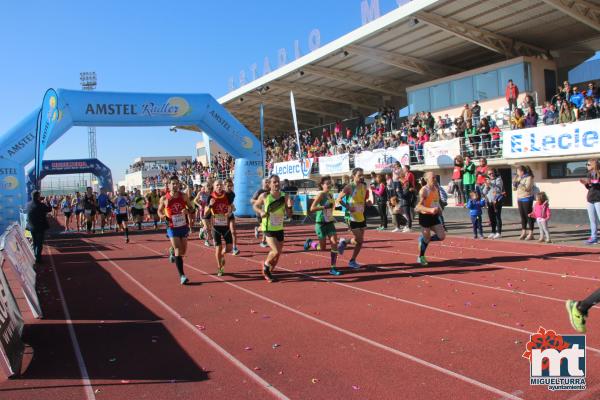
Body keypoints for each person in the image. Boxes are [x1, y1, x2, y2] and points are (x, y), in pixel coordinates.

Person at [253, 175, 293, 283]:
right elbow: (255, 206)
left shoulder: (285, 196)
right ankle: (265, 267)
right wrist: (261, 212)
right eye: (274, 182)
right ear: (269, 184)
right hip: (268, 228)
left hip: (279, 228)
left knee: (278, 255)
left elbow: (290, 215)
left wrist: (289, 206)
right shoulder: (265, 196)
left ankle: (269, 271)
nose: (276, 184)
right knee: (275, 251)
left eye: (278, 182)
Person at [303, 176, 342, 276]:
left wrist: (337, 208)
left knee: (334, 244)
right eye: (327, 183)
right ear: (322, 185)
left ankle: (333, 268)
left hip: (329, 223)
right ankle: (310, 242)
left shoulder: (330, 195)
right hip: (320, 223)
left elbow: (330, 208)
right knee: (322, 248)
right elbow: (312, 208)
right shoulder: (321, 194)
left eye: (330, 183)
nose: (329, 185)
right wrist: (324, 207)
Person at [158, 175, 192, 285]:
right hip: (172, 226)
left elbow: (191, 208)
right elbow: (159, 211)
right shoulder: (164, 198)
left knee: (183, 251)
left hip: (183, 225)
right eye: (173, 184)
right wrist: (162, 216)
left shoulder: (183, 196)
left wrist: (187, 211)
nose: (175, 185)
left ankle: (171, 251)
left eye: (177, 183)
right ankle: (182, 275)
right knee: (178, 249)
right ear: (168, 185)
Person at [336, 168, 371, 269]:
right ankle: (345, 244)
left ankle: (352, 259)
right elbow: (338, 199)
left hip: (362, 215)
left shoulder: (364, 186)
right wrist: (348, 207)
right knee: (359, 239)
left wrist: (367, 203)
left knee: (359, 241)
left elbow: (363, 199)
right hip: (352, 216)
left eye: (362, 175)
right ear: (353, 176)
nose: (361, 177)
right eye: (359, 175)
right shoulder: (349, 187)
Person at [415, 172, 446, 266]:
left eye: (435, 177)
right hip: (425, 217)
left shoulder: (436, 189)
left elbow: (436, 202)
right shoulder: (423, 191)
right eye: (433, 178)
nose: (435, 179)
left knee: (441, 236)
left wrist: (439, 209)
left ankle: (423, 239)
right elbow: (418, 207)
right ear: (427, 179)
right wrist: (430, 209)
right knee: (427, 237)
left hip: (434, 216)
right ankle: (421, 257)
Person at [207, 180, 233, 276]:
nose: (219, 186)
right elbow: (205, 213)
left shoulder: (227, 196)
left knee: (229, 248)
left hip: (225, 225)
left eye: (220, 185)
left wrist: (230, 211)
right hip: (216, 226)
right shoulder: (211, 197)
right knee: (218, 247)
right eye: (217, 185)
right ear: (214, 187)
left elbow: (231, 207)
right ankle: (220, 268)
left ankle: (222, 254)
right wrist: (210, 205)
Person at [26, 191, 52, 263]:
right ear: (38, 197)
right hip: (40, 227)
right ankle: (38, 258)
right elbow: (49, 209)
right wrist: (48, 202)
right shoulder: (41, 205)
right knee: (39, 243)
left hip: (31, 227)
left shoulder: (28, 205)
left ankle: (35, 255)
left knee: (34, 242)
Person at [513, 165, 535, 240]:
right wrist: (514, 183)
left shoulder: (529, 177)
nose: (517, 173)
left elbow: (527, 188)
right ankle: (523, 232)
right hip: (520, 198)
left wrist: (520, 183)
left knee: (528, 216)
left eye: (518, 171)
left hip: (527, 198)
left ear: (522, 171)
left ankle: (531, 233)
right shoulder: (519, 178)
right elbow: (514, 189)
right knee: (522, 216)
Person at [580, 159, 600, 244]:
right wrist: (586, 184)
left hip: (598, 199)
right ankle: (594, 237)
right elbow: (590, 188)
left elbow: (596, 184)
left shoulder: (598, 173)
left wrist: (589, 182)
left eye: (588, 164)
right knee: (592, 220)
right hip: (590, 199)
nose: (586, 166)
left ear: (593, 165)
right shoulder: (588, 174)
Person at [482, 169, 504, 239]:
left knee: (497, 216)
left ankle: (499, 232)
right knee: (491, 217)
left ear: (494, 173)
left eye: (492, 173)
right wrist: (486, 185)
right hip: (489, 201)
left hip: (497, 200)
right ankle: (493, 231)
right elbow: (484, 192)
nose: (491, 175)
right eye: (489, 174)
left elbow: (498, 189)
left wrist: (490, 184)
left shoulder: (498, 179)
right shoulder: (488, 181)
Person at [251, 178, 270, 248]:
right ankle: (263, 240)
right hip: (259, 212)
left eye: (268, 182)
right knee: (265, 226)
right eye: (266, 182)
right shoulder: (259, 191)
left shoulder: (270, 191)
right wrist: (259, 202)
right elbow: (251, 200)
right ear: (263, 183)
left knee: (266, 226)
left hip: (267, 212)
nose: (267, 183)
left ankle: (263, 240)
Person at [225, 179, 240, 256]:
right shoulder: (222, 194)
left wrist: (233, 207)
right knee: (225, 233)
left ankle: (234, 248)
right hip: (222, 216)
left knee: (233, 231)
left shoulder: (233, 194)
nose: (230, 187)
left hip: (230, 214)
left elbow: (230, 203)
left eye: (231, 186)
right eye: (228, 186)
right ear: (225, 186)